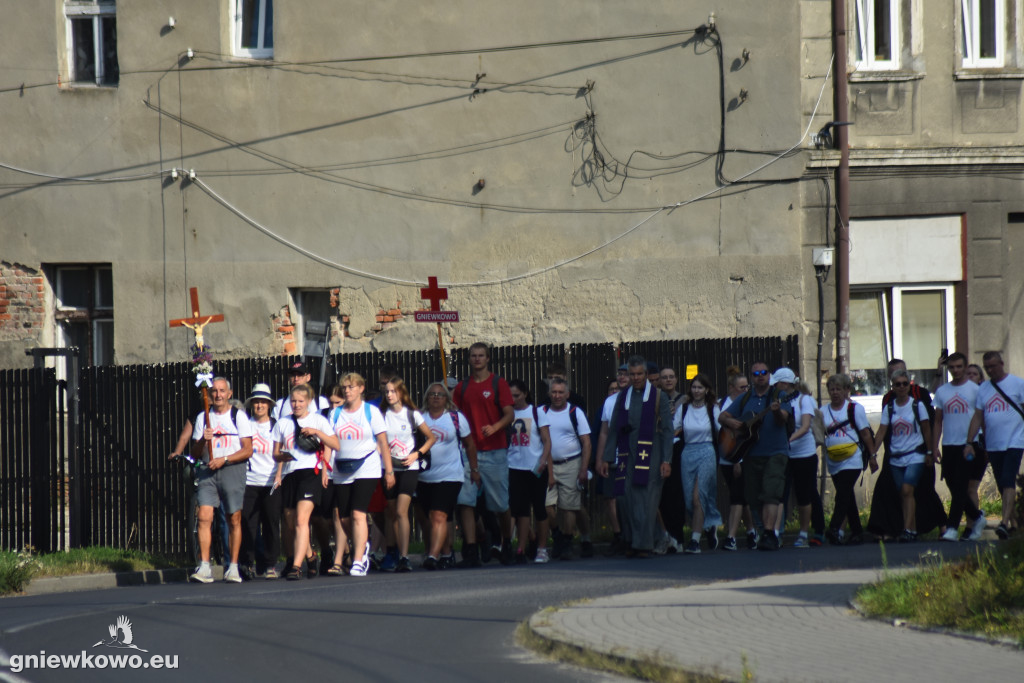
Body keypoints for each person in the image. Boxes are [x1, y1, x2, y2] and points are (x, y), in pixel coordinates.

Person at [597, 356, 673, 558]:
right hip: (626, 455)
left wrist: (667, 460)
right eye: (632, 374)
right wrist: (606, 458)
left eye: (640, 374)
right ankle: (631, 541)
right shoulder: (623, 397)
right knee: (625, 500)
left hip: (652, 455)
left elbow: (667, 430)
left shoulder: (658, 397)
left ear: (646, 374)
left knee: (647, 501)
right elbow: (613, 429)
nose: (636, 377)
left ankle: (644, 544)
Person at [867, 358, 946, 541]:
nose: (900, 384)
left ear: (907, 380)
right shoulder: (888, 401)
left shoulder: (919, 396)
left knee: (920, 489)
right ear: (891, 381)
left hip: (918, 453)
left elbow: (930, 425)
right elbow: (883, 430)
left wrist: (932, 449)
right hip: (894, 453)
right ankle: (894, 528)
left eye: (903, 379)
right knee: (892, 490)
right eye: (895, 379)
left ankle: (938, 525)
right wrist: (873, 453)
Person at [185, 377, 254, 584]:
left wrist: (224, 459)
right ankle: (205, 566)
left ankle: (232, 566)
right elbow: (195, 454)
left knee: (234, 518)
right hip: (207, 470)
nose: (218, 395)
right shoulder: (202, 418)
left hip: (232, 469)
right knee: (204, 515)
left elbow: (247, 450)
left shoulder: (238, 416)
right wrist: (203, 440)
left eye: (222, 391)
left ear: (229, 394)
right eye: (214, 391)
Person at [719, 362, 792, 551]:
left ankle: (770, 533)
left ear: (769, 375)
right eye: (756, 373)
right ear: (751, 377)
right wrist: (732, 422)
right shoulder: (744, 399)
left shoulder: (780, 396)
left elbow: (783, 418)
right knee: (754, 497)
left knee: (771, 493)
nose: (760, 376)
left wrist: (776, 412)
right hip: (751, 453)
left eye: (764, 373)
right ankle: (763, 531)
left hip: (776, 452)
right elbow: (722, 417)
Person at [453, 342, 515, 565]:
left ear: (488, 359)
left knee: (500, 504)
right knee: (465, 501)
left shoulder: (498, 383)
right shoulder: (462, 387)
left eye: (481, 356)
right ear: (469, 359)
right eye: (473, 356)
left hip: (494, 451)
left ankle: (507, 541)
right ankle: (470, 549)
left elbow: (510, 414)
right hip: (469, 451)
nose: (477, 359)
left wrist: (495, 427)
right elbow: (456, 416)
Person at [326, 372, 393, 577]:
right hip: (341, 469)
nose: (347, 391)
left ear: (361, 389)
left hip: (367, 466)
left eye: (351, 387)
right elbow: (329, 442)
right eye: (345, 388)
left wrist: (388, 470)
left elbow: (382, 442)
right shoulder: (336, 414)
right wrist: (326, 468)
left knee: (358, 513)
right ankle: (362, 545)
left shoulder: (370, 412)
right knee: (344, 517)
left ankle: (358, 559)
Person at [273, 383, 338, 580]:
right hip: (291, 474)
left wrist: (317, 433)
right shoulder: (283, 423)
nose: (296, 404)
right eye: (293, 401)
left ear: (309, 401)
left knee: (302, 520)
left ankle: (295, 566)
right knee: (291, 522)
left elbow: (335, 444)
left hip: (312, 472)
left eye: (301, 401)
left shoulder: (318, 420)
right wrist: (285, 458)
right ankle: (310, 556)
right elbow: (276, 454)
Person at [418, 382, 478, 569]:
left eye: (440, 394)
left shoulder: (455, 418)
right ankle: (446, 553)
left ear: (447, 399)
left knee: (439, 515)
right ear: (427, 397)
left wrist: (474, 470)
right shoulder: (420, 418)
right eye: (432, 394)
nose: (436, 397)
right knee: (430, 517)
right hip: (424, 476)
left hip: (450, 475)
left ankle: (433, 557)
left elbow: (470, 445)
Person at [965, 351, 1024, 539]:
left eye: (993, 366)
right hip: (993, 444)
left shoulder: (1017, 384)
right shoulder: (984, 389)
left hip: (1015, 441)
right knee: (1002, 484)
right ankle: (1015, 524)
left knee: (1007, 480)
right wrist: (969, 442)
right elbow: (978, 416)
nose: (990, 370)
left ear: (1002, 363)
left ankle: (1004, 523)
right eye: (987, 367)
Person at [380, 377, 437, 572]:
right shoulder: (381, 414)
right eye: (387, 391)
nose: (389, 395)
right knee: (391, 511)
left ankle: (404, 556)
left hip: (408, 467)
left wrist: (417, 454)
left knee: (401, 511)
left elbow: (431, 438)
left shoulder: (412, 414)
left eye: (393, 391)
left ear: (401, 392)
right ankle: (394, 551)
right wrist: (387, 470)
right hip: (388, 468)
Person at [932, 352, 987, 541]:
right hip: (949, 445)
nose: (955, 370)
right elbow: (938, 421)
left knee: (962, 484)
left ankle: (953, 528)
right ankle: (977, 516)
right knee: (952, 484)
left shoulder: (976, 390)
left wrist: (974, 442)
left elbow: (981, 418)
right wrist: (934, 446)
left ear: (965, 367)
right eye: (952, 367)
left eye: (959, 367)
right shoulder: (942, 391)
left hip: (968, 445)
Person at [821, 373, 876, 545]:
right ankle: (857, 531)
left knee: (843, 492)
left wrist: (873, 456)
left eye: (839, 389)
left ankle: (834, 527)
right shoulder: (823, 411)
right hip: (834, 459)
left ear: (846, 390)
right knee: (847, 496)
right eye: (832, 389)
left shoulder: (854, 409)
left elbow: (865, 433)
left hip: (853, 458)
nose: (835, 392)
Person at [543, 377, 592, 561]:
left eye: (560, 392)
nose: (557, 396)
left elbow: (586, 442)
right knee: (547, 505)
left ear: (567, 394)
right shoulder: (542, 412)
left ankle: (567, 540)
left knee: (569, 506)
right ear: (549, 393)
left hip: (572, 462)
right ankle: (557, 534)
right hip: (549, 464)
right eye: (554, 392)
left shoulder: (575, 412)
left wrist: (583, 468)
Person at [673, 373, 722, 554]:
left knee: (698, 496)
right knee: (688, 501)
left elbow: (721, 429)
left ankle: (694, 540)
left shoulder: (712, 408)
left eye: (700, 387)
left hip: (707, 451)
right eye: (694, 387)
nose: (696, 390)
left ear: (706, 389)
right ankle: (709, 526)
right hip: (688, 452)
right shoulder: (684, 408)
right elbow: (675, 428)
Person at [507, 380, 553, 563]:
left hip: (535, 467)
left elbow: (547, 440)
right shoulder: (507, 413)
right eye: (510, 396)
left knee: (540, 508)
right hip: (514, 466)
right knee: (518, 509)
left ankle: (542, 548)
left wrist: (543, 460)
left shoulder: (537, 412)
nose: (513, 399)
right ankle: (520, 546)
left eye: (516, 395)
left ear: (525, 394)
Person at [240, 383, 283, 579]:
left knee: (271, 524)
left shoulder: (277, 425)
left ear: (269, 405)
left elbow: (283, 452)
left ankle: (270, 564)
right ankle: (247, 563)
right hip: (250, 480)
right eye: (256, 402)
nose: (259, 406)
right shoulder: (245, 425)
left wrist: (279, 474)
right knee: (248, 523)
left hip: (271, 480)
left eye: (263, 402)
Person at [783, 373, 825, 548]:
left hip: (804, 453)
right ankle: (778, 531)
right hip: (787, 454)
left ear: (785, 384)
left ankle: (813, 531)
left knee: (806, 493)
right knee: (791, 492)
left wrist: (788, 440)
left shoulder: (804, 400)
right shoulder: (781, 401)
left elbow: (806, 426)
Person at [718, 369, 754, 551]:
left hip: (741, 458)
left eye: (747, 386)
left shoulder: (748, 404)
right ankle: (751, 531)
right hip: (726, 457)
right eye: (742, 387)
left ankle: (731, 536)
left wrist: (738, 461)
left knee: (737, 497)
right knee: (742, 498)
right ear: (731, 388)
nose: (746, 389)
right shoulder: (722, 405)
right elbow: (721, 432)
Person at [595, 368, 628, 555]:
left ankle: (630, 534)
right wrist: (600, 458)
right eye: (620, 374)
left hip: (630, 456)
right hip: (612, 455)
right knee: (610, 497)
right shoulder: (609, 402)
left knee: (627, 498)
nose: (622, 377)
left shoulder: (637, 399)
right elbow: (604, 432)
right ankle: (618, 534)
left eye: (626, 374)